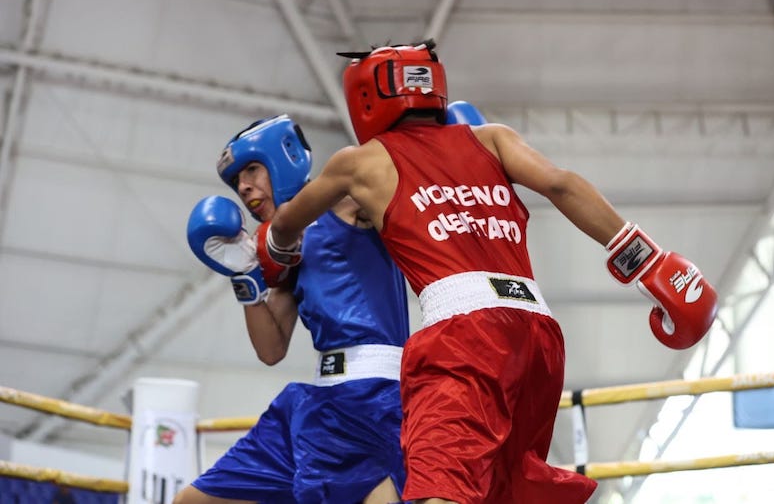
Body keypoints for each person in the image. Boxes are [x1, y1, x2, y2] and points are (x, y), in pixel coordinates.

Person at [264, 41, 720, 504]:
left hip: (463, 337)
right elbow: (561, 184)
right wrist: (650, 261)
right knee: (498, 494)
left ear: (365, 96)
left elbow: (284, 224)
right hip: (537, 339)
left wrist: (276, 251)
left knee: (435, 492)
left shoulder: (360, 163)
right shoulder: (493, 139)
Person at [177, 114, 410, 504]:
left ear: (283, 158)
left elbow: (400, 181)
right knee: (193, 501)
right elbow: (271, 350)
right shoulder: (276, 253)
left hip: (377, 398)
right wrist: (246, 276)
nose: (245, 186)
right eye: (237, 181)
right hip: (317, 403)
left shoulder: (347, 203)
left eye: (252, 169)